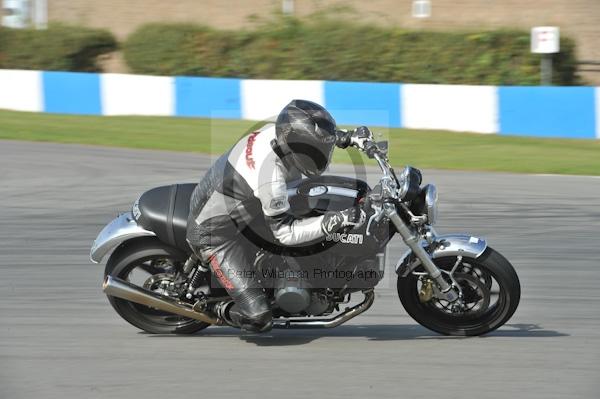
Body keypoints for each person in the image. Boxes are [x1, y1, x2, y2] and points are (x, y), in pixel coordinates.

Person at [186, 99, 367, 332]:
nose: (322, 155)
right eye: (316, 151)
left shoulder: (280, 132)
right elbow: (285, 233)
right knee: (260, 318)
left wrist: (346, 137)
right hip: (215, 235)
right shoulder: (270, 178)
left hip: (242, 210)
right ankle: (217, 311)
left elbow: (311, 136)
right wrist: (336, 220)